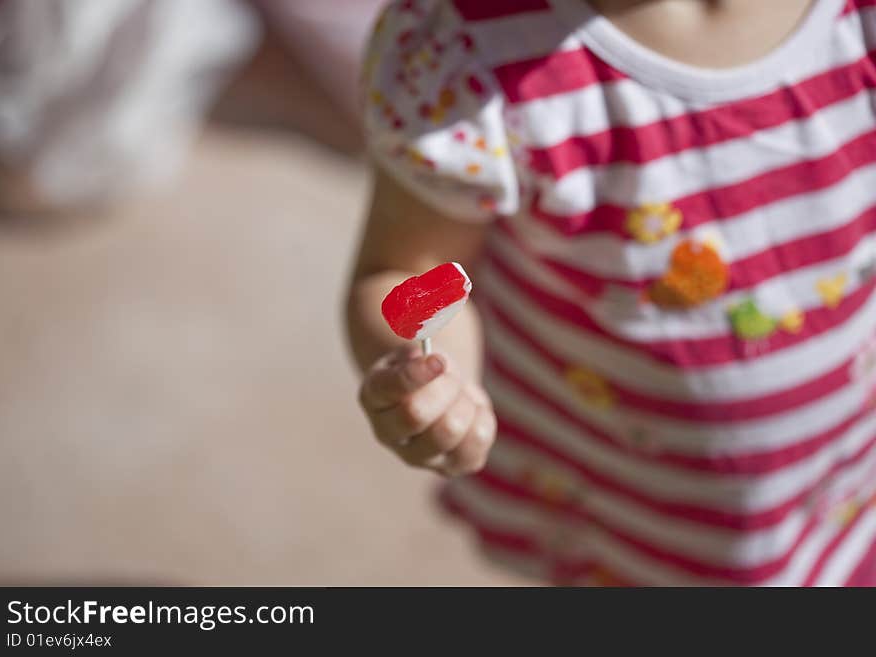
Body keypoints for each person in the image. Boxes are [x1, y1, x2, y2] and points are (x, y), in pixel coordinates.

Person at [345, 0, 876, 585]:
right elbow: (413, 271)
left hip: (847, 491)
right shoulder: (468, 52)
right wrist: (440, 383)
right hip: (631, 516)